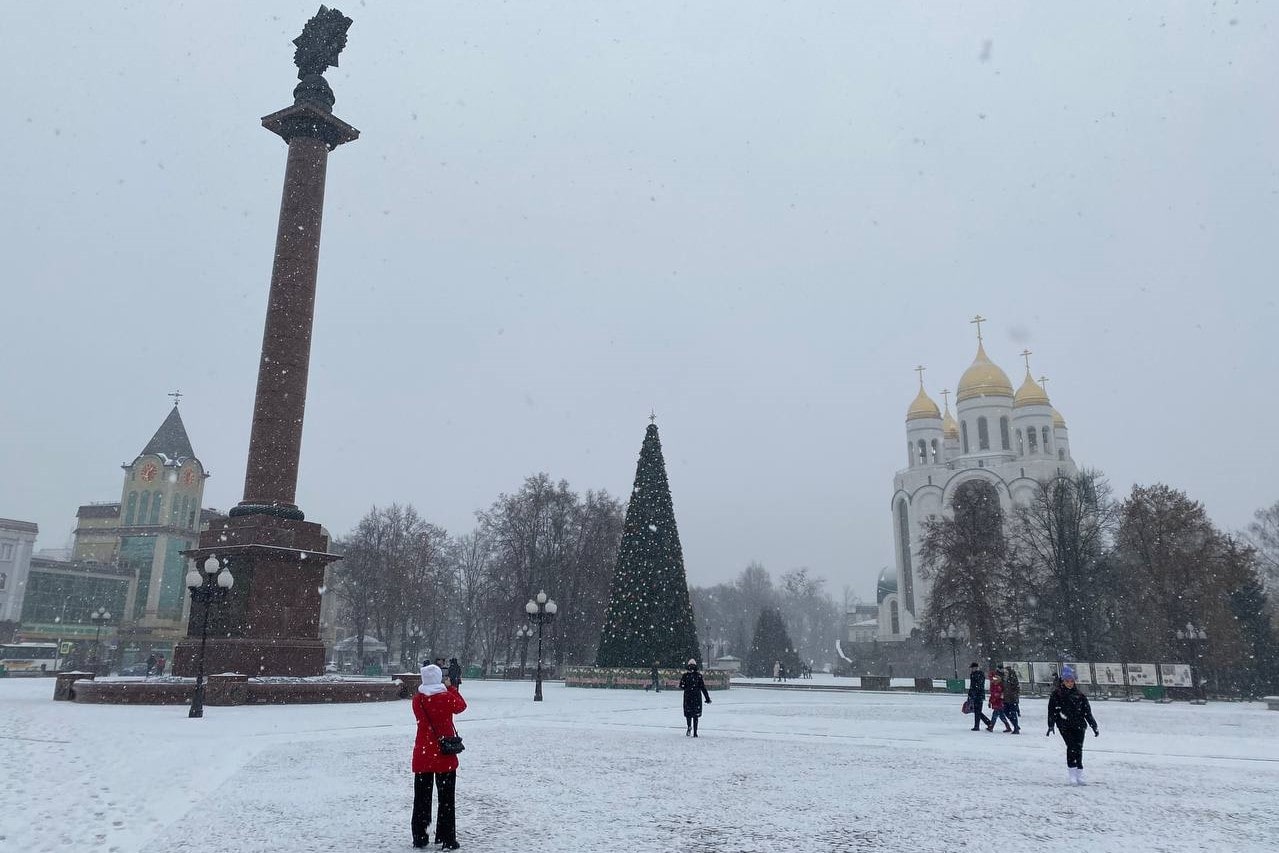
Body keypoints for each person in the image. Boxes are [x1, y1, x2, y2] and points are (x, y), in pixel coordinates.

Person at [412, 663, 467, 849]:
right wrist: (450, 687)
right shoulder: (446, 697)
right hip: (444, 755)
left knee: (421, 798)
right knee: (446, 799)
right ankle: (446, 837)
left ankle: (420, 835)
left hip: (423, 755)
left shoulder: (417, 700)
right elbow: (461, 706)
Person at [1047, 665, 1099, 785]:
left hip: (1079, 725)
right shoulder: (1057, 694)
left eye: (1071, 681)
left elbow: (1087, 712)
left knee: (1079, 748)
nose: (1069, 683)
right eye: (1067, 681)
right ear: (1063, 681)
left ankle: (1079, 773)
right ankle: (1072, 774)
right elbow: (1052, 711)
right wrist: (1051, 725)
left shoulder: (1080, 695)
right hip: (1065, 725)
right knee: (1071, 747)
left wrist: (1093, 725)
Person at [679, 659, 712, 737]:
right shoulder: (698, 676)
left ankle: (689, 726)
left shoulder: (685, 675)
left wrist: (687, 688)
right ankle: (695, 732)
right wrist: (707, 698)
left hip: (688, 696)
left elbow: (681, 685)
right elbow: (703, 688)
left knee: (688, 714)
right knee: (696, 715)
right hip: (697, 697)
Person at [967, 662, 993, 731]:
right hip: (976, 695)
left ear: (975, 668)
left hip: (978, 695)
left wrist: (974, 693)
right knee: (977, 711)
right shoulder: (973, 674)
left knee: (977, 711)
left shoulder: (979, 674)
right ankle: (987, 723)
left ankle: (978, 726)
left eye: (972, 668)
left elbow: (978, 686)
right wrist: (970, 695)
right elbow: (972, 686)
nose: (972, 669)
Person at [1003, 665, 1022, 734]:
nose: (1005, 673)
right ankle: (1015, 725)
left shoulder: (1012, 678)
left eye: (1006, 671)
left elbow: (1016, 689)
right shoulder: (1005, 678)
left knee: (1013, 713)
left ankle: (1016, 728)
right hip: (1006, 699)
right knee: (1006, 712)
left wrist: (1013, 695)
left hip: (1012, 699)